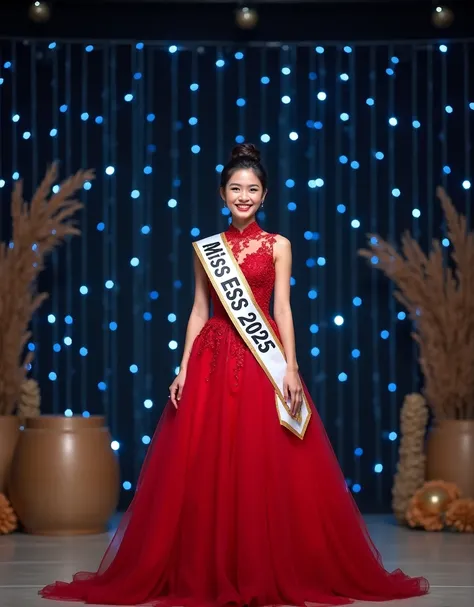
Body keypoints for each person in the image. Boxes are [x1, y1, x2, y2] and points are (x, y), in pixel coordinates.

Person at [40, 143, 429, 607]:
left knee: (263, 462)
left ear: (264, 197)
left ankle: (263, 564)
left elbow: (282, 309)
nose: (243, 196)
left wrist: (291, 366)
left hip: (262, 362)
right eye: (235, 188)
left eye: (252, 189)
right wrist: (183, 367)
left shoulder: (279, 245)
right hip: (212, 360)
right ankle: (206, 567)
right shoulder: (207, 249)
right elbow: (199, 311)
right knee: (205, 465)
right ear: (222, 194)